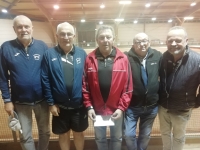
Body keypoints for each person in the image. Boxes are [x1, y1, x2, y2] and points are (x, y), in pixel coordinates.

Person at [0, 15, 50, 150]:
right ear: (14, 29)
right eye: (20, 27)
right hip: (20, 102)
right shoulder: (6, 47)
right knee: (25, 135)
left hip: (42, 100)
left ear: (32, 28)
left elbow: (49, 73)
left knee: (45, 132)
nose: (24, 30)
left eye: (26, 26)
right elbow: (2, 76)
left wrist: (52, 98)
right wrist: (7, 100)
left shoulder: (42, 46)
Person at [82, 25, 133, 150]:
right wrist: (89, 107)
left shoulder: (123, 59)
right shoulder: (89, 59)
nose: (105, 40)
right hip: (97, 110)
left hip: (116, 110)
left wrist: (121, 108)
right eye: (102, 37)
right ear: (97, 40)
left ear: (113, 39)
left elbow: (128, 87)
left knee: (117, 138)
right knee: (100, 138)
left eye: (108, 37)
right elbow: (85, 85)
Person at [41, 22, 88, 150]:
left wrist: (87, 102)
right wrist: (51, 103)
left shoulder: (81, 53)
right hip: (59, 106)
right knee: (63, 135)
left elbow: (87, 78)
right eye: (62, 34)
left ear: (74, 35)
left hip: (79, 106)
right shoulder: (49, 54)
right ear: (57, 35)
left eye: (69, 34)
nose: (66, 37)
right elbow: (45, 79)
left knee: (79, 133)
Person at [159, 26, 200, 150]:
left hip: (182, 108)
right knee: (165, 134)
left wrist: (196, 102)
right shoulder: (164, 57)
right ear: (166, 42)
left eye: (178, 40)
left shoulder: (197, 60)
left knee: (178, 137)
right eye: (170, 41)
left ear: (186, 41)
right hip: (163, 106)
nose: (173, 44)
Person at [124, 33, 162, 150]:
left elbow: (164, 76)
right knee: (128, 135)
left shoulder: (157, 56)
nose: (142, 44)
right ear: (133, 44)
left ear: (149, 42)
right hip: (132, 106)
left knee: (145, 135)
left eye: (144, 41)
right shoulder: (126, 57)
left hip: (151, 106)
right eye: (138, 42)